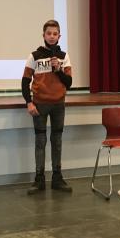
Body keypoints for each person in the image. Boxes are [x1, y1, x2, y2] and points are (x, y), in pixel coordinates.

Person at [21, 19, 73, 194]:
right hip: (39, 105)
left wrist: (58, 69)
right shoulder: (34, 56)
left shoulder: (64, 56)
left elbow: (69, 83)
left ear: (59, 36)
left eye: (55, 33)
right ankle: (39, 179)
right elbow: (25, 82)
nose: (52, 36)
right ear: (43, 35)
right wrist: (29, 102)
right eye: (49, 33)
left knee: (57, 141)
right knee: (40, 141)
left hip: (58, 104)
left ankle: (57, 178)